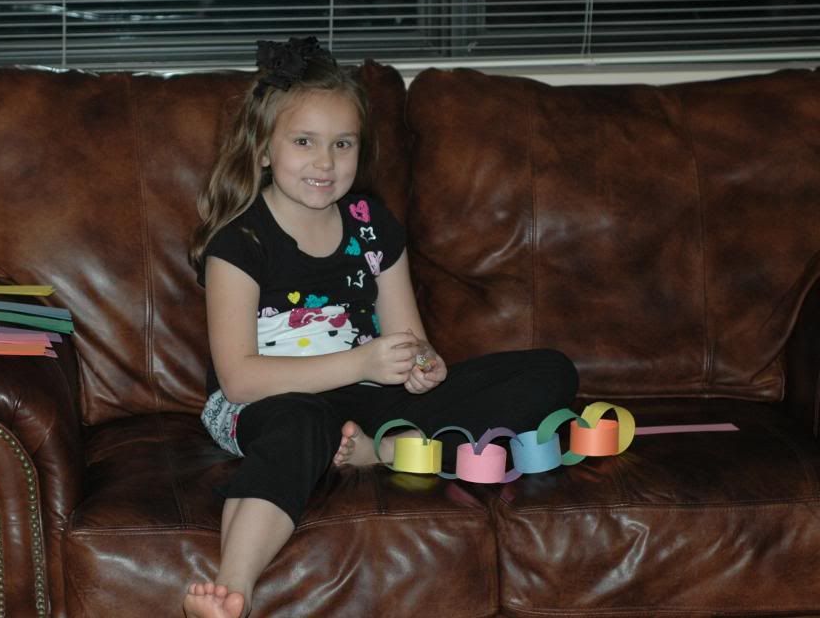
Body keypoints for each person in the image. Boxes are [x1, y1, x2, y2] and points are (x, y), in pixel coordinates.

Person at [184, 36, 578, 618]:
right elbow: (240, 379)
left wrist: (421, 364)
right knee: (300, 428)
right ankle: (232, 590)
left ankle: (382, 449)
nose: (325, 162)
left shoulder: (371, 224)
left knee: (549, 371)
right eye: (304, 142)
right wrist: (364, 363)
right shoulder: (240, 242)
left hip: (368, 398)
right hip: (270, 399)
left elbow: (407, 336)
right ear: (264, 148)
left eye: (342, 144)